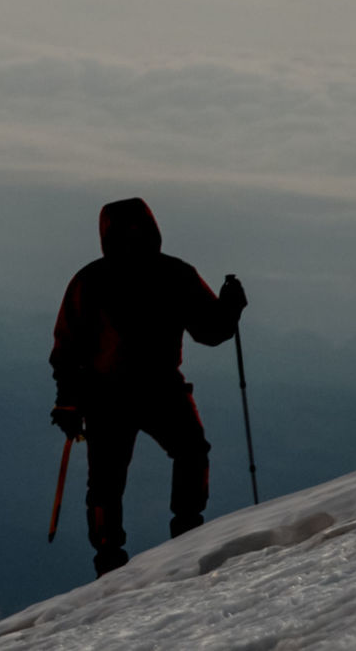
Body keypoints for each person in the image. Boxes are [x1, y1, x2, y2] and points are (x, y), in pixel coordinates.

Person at [48, 197, 247, 577]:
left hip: (108, 395)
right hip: (155, 389)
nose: (132, 239)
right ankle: (183, 532)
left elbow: (66, 348)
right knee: (188, 452)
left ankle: (110, 558)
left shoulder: (90, 280)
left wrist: (69, 401)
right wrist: (230, 309)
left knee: (110, 481)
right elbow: (211, 330)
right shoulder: (173, 274)